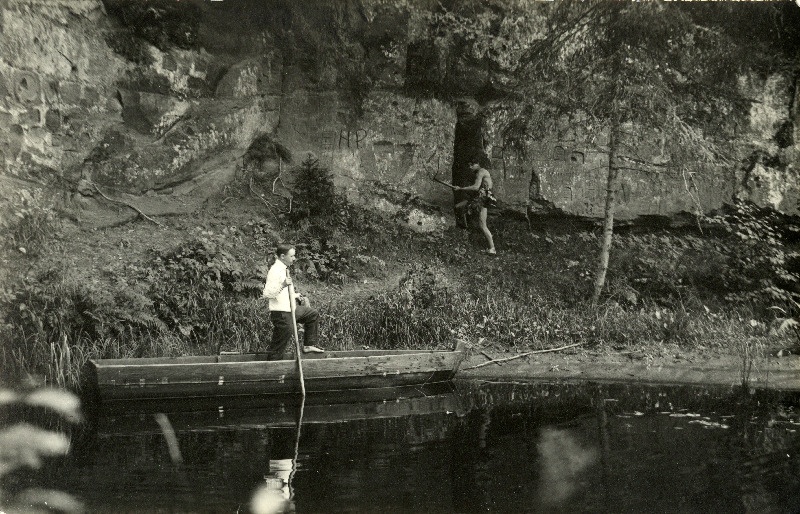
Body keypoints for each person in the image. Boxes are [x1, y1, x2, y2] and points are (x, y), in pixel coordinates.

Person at [262, 243, 324, 360]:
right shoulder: (275, 271)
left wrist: (295, 295)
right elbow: (267, 294)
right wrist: (283, 285)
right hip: (281, 313)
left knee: (312, 314)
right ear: (282, 256)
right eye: (292, 256)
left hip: (291, 309)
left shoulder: (284, 269)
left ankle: (308, 345)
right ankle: (272, 367)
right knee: (279, 344)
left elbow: (284, 293)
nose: (294, 259)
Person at [454, 158, 498, 255]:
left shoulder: (480, 172)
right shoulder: (482, 172)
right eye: (469, 165)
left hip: (482, 199)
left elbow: (476, 187)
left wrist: (460, 188)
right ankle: (463, 229)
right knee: (458, 207)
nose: (470, 167)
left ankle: (492, 248)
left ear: (477, 164)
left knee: (482, 225)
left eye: (471, 165)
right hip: (480, 197)